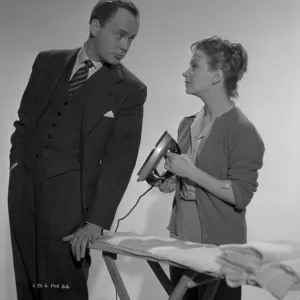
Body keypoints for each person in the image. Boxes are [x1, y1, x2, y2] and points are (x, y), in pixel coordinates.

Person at [8, 1, 147, 299]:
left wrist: (95, 222)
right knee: (27, 285)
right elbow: (25, 123)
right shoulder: (47, 61)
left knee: (62, 290)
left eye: (131, 39)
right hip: (24, 191)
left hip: (71, 204)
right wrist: (16, 167)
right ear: (95, 27)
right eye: (119, 34)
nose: (125, 46)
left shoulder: (131, 89)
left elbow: (119, 161)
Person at [155, 36, 265, 300]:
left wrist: (189, 172)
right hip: (181, 243)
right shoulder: (188, 123)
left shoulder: (243, 131)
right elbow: (188, 181)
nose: (186, 72)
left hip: (220, 251)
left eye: (194, 65)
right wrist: (172, 181)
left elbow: (240, 194)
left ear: (216, 77)